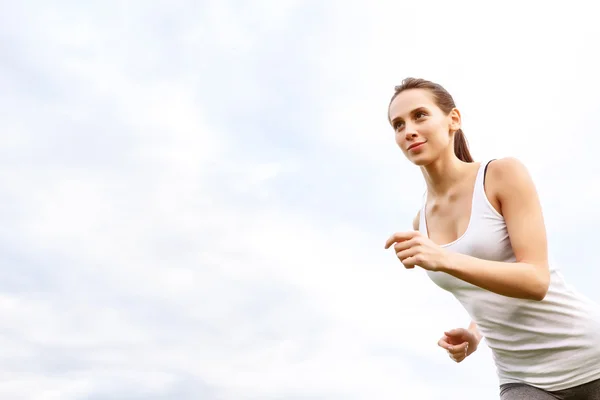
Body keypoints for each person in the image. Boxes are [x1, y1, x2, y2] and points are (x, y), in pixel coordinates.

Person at [383, 77, 600, 399]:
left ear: (452, 119)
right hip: (523, 379)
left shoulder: (501, 175)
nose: (408, 130)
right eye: (398, 125)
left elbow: (535, 280)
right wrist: (474, 333)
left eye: (420, 115)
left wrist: (444, 258)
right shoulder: (422, 222)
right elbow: (485, 287)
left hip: (589, 356)